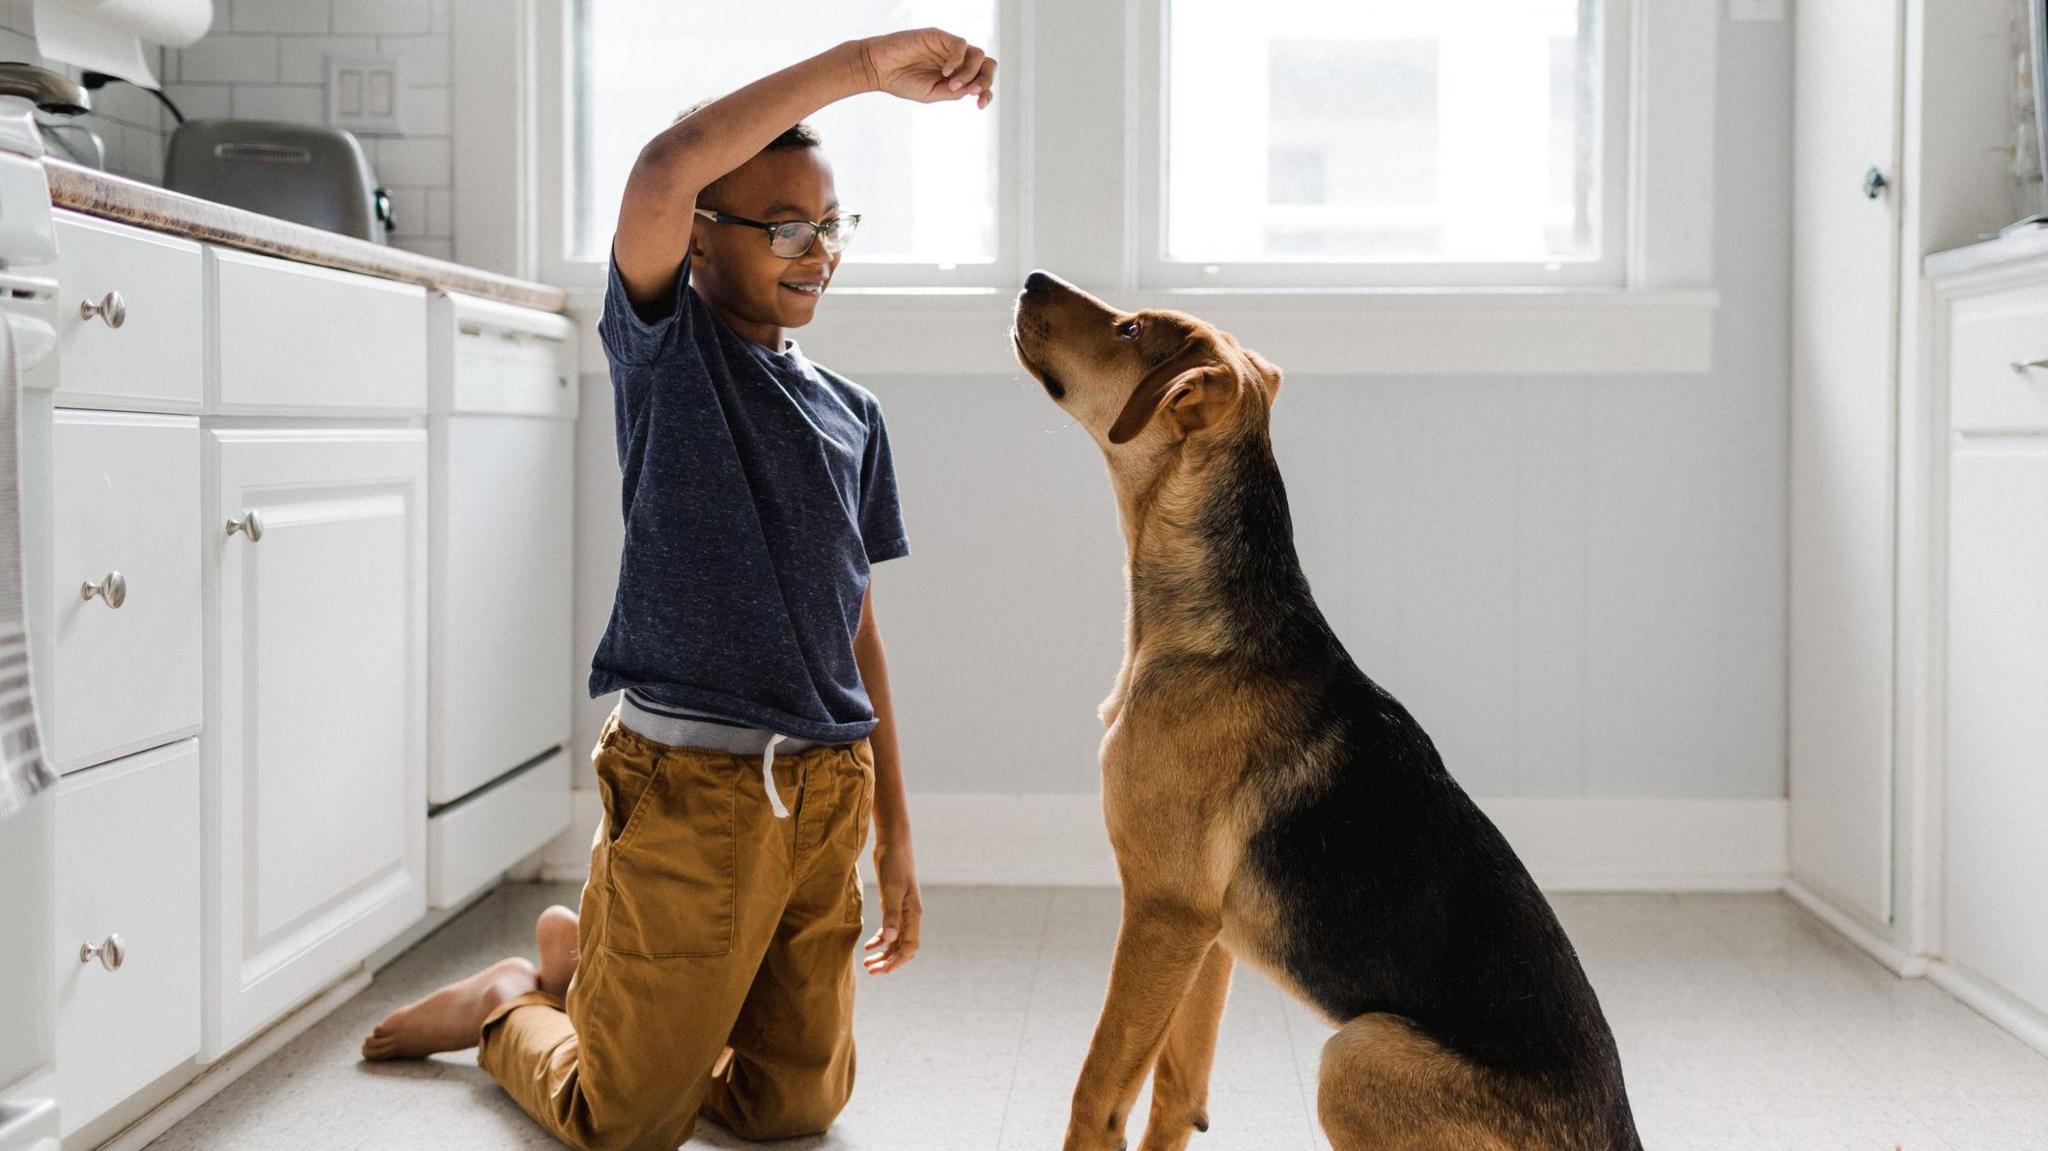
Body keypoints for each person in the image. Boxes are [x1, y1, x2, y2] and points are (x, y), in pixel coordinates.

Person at [360, 28, 996, 1151]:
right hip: (694, 791)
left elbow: (857, 626)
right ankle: (516, 998)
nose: (817, 250)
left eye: (831, 224)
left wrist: (895, 830)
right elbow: (662, 168)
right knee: (619, 1122)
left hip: (823, 795)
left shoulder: (853, 415)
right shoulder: (667, 356)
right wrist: (861, 67)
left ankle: (586, 967)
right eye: (785, 226)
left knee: (794, 1105)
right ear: (698, 238)